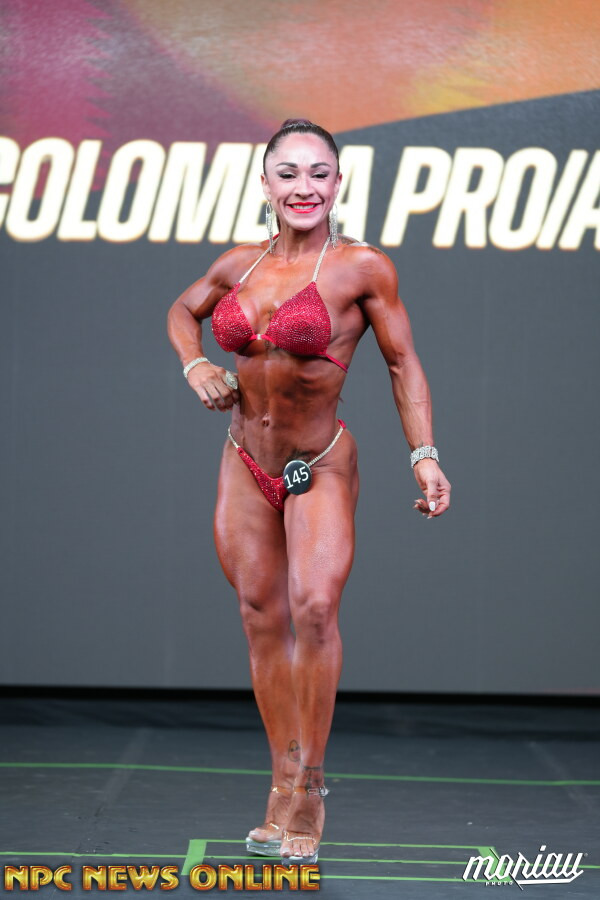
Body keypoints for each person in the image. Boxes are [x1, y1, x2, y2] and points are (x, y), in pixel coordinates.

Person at [166, 118, 451, 864]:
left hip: (318, 462)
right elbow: (181, 311)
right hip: (245, 461)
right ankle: (280, 783)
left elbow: (403, 363)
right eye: (288, 173)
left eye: (319, 173)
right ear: (265, 184)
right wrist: (196, 364)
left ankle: (312, 789)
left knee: (315, 608)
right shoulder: (240, 264)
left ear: (338, 182)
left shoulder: (362, 267)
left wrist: (423, 454)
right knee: (261, 617)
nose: (304, 187)